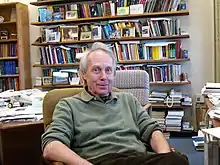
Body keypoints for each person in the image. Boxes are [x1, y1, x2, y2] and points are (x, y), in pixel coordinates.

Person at [41, 42, 189, 165]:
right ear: (83, 75)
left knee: (178, 161)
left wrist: (164, 156)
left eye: (108, 70)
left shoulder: (128, 99)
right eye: (96, 70)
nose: (104, 77)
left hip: (137, 158)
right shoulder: (68, 105)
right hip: (100, 160)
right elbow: (51, 146)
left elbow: (152, 131)